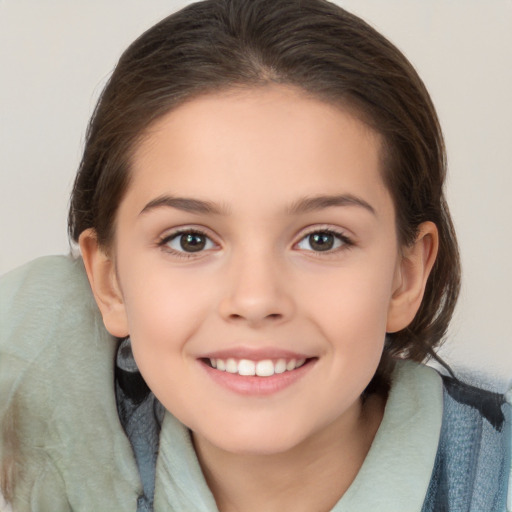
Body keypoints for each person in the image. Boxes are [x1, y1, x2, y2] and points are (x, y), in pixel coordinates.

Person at [0, 0, 509, 510]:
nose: (256, 298)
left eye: (322, 239)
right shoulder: (46, 405)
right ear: (109, 283)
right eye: (190, 240)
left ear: (406, 275)